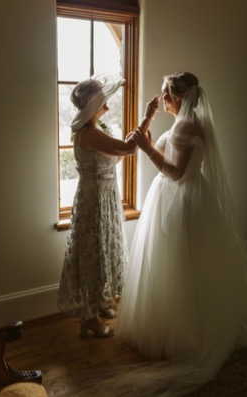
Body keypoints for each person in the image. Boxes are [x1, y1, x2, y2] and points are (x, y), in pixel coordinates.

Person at [94, 72, 247, 395]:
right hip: (180, 198)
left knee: (183, 266)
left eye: (165, 95)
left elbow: (176, 172)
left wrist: (146, 148)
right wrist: (149, 125)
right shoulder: (189, 120)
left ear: (178, 97)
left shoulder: (187, 125)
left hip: (183, 200)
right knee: (182, 265)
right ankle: (175, 323)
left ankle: (189, 332)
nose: (162, 99)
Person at [57, 74, 148, 339]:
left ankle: (98, 304)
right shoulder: (88, 133)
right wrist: (147, 116)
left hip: (105, 197)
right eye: (103, 101)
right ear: (92, 105)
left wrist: (122, 147)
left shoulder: (95, 132)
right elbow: (129, 149)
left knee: (103, 251)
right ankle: (89, 318)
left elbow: (112, 160)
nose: (107, 105)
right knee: (92, 256)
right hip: (94, 201)